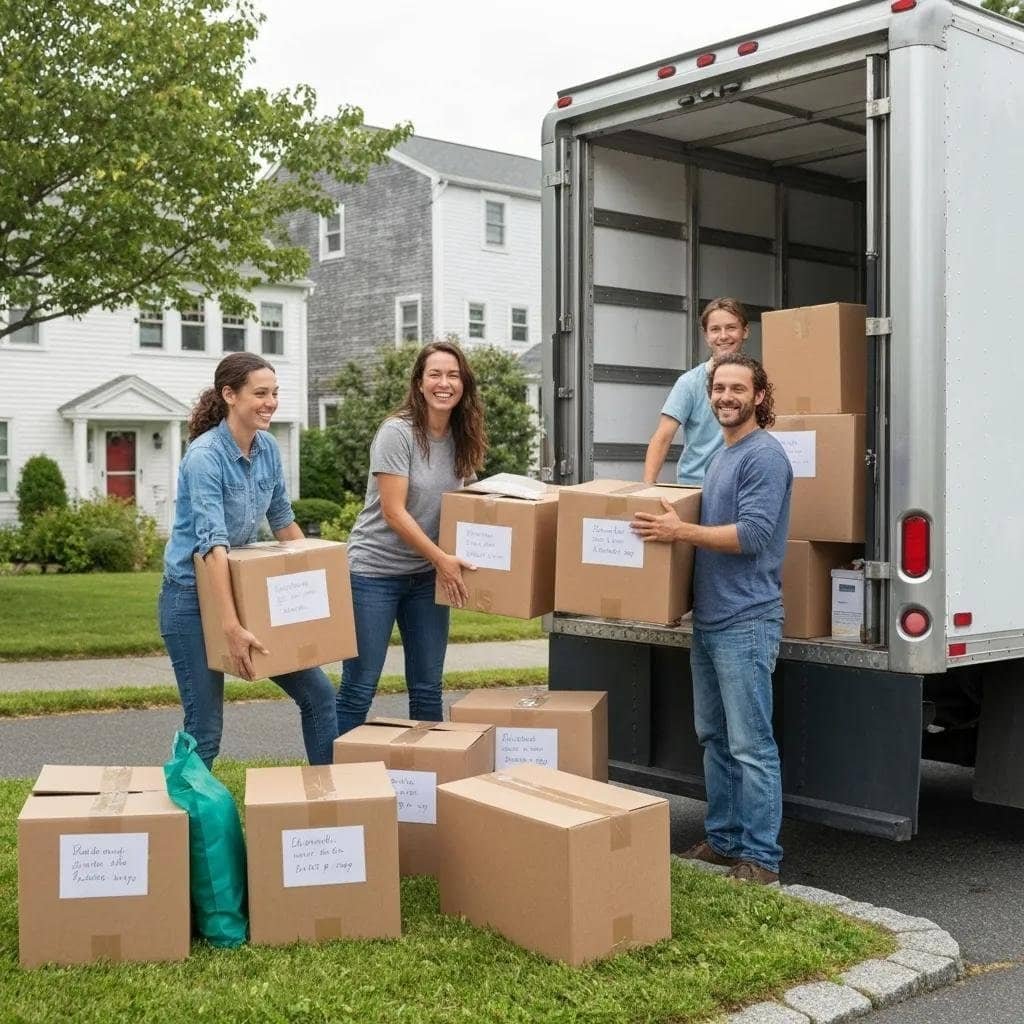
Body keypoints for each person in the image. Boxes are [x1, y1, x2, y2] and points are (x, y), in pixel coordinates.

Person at [632, 353, 792, 883]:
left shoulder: (762, 456)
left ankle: (762, 859)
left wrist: (681, 534)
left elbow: (753, 536)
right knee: (715, 739)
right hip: (710, 621)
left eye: (737, 388)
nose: (726, 396)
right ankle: (724, 842)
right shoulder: (722, 456)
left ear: (759, 397)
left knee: (751, 745)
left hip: (747, 620)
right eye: (719, 388)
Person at [159, 352, 338, 769]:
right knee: (204, 729)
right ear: (229, 395)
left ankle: (332, 802)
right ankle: (183, 826)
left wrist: (321, 593)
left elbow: (284, 523)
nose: (270, 402)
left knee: (318, 696)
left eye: (274, 393)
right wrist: (231, 626)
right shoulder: (205, 458)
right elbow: (212, 547)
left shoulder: (268, 448)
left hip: (242, 591)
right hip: (190, 600)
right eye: (260, 393)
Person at [336, 340, 487, 735]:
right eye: (434, 374)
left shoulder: (461, 435)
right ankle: (333, 783)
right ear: (419, 383)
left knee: (426, 689)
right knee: (359, 686)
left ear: (463, 384)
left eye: (453, 375)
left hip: (425, 577)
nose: (444, 383)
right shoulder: (397, 432)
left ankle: (428, 777)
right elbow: (394, 511)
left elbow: (470, 502)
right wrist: (443, 560)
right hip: (373, 574)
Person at [642, 297, 750, 485]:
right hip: (697, 486)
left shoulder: (757, 379)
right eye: (715, 329)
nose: (723, 336)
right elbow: (663, 436)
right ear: (706, 336)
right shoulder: (689, 383)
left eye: (731, 328)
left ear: (745, 331)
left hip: (741, 483)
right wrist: (647, 487)